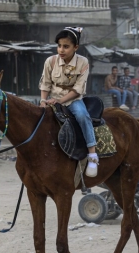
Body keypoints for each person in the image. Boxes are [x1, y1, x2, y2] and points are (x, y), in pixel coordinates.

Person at [39, 26, 99, 177]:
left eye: (66, 46)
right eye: (59, 46)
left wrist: (60, 100)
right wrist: (42, 101)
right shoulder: (50, 61)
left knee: (82, 116)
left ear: (75, 47)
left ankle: (92, 155)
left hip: (72, 99)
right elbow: (45, 83)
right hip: (52, 99)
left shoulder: (83, 62)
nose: (61, 50)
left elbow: (78, 89)